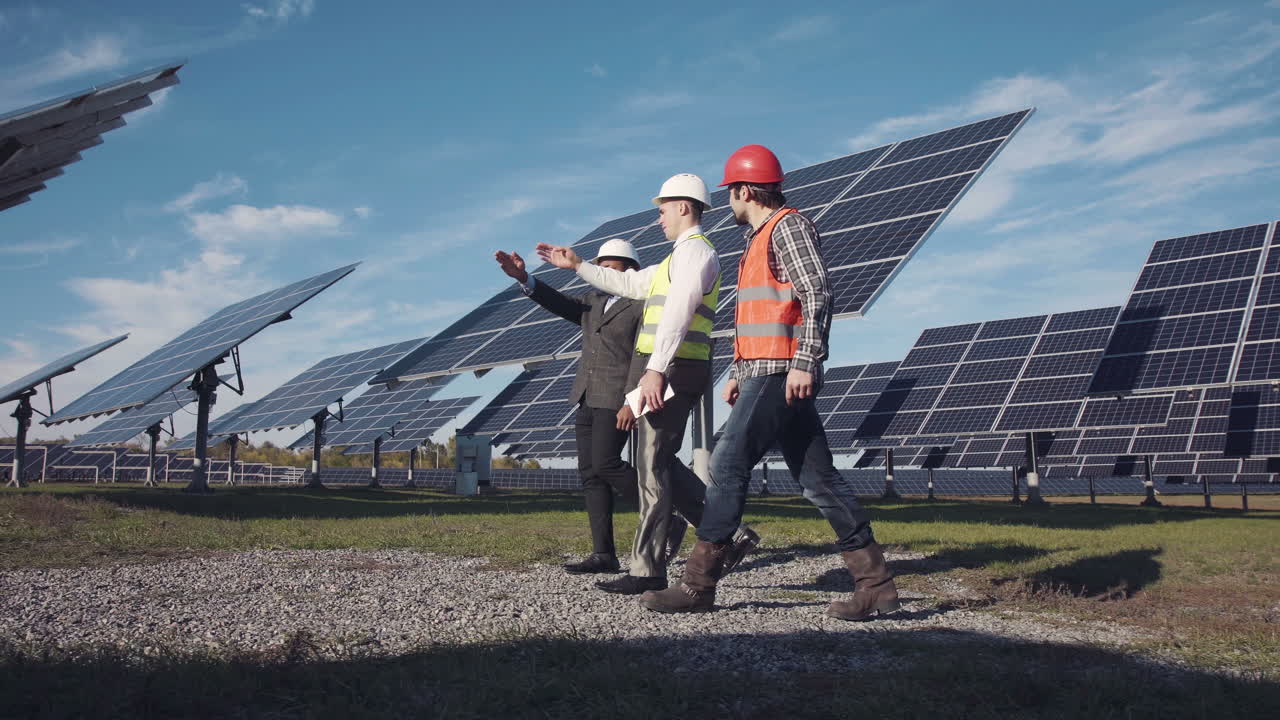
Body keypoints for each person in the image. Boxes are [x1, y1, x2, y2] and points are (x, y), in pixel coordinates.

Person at [639, 146, 900, 620]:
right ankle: (876, 584)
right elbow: (762, 315)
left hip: (782, 371)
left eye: (731, 193)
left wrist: (806, 360)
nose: (728, 202)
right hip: (765, 371)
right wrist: (740, 372)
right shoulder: (757, 239)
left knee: (727, 463)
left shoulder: (787, 227)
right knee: (818, 478)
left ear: (744, 190)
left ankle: (698, 585)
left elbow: (816, 291)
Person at [537, 173, 758, 595]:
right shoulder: (674, 260)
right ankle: (727, 535)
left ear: (683, 207)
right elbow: (626, 283)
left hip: (673, 369)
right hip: (669, 368)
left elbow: (678, 314)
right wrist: (578, 265)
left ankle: (647, 570)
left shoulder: (696, 254)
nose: (658, 219)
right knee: (659, 462)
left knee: (651, 466)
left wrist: (655, 370)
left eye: (662, 210)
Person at [494, 241, 689, 574]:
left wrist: (632, 400)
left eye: (608, 268)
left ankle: (666, 519)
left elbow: (643, 355)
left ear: (630, 270)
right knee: (590, 474)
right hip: (585, 395)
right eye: (599, 267)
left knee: (606, 464)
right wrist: (524, 279)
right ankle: (603, 554)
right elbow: (558, 302)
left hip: (617, 398)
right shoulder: (593, 302)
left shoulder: (643, 304)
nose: (601, 273)